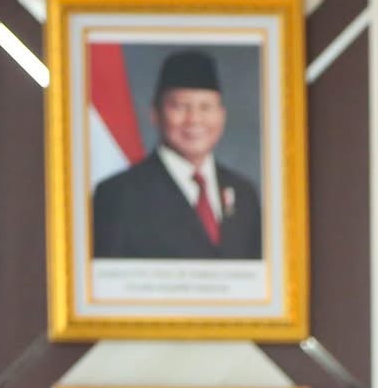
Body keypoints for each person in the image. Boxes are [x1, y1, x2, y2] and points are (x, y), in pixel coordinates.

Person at [91, 50, 264, 260]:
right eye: (180, 107)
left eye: (206, 107)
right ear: (155, 114)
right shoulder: (119, 195)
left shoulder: (244, 194)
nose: (194, 120)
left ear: (222, 116)